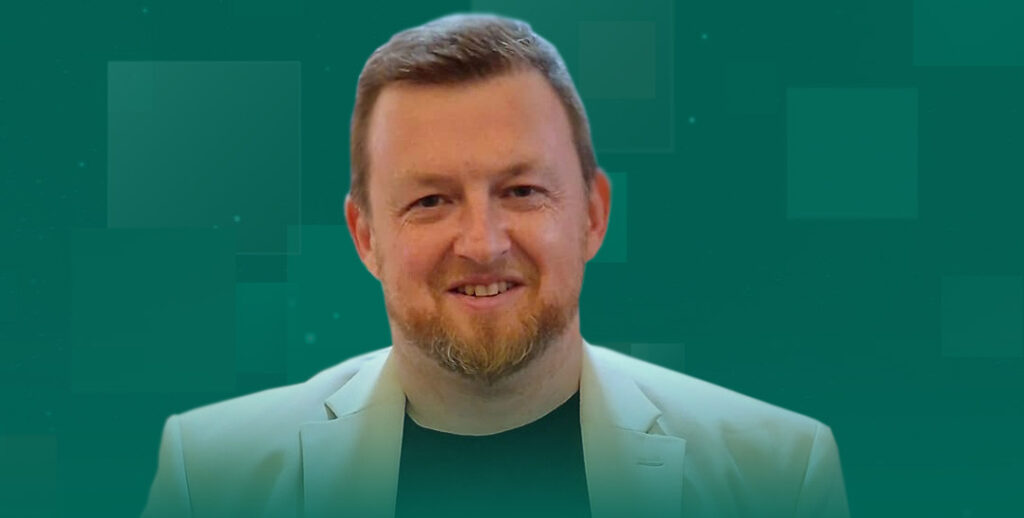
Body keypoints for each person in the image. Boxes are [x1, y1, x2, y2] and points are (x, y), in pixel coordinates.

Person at [141, 13, 849, 518]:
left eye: (522, 191)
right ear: (365, 236)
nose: (482, 243)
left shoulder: (777, 479)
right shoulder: (213, 479)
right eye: (430, 200)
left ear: (593, 215)